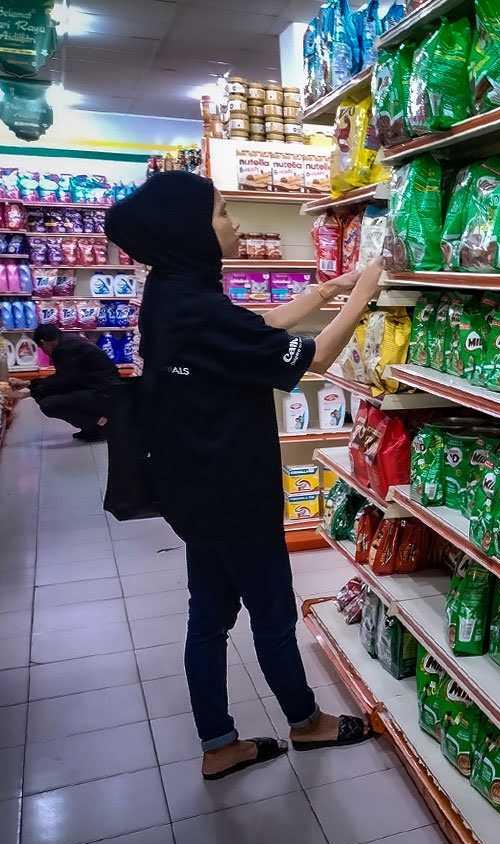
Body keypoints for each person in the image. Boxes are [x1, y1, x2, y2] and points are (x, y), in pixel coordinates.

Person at [105, 170, 384, 780]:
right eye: (222, 213)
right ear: (189, 231)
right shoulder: (195, 309)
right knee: (273, 611)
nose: (233, 224)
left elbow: (255, 332)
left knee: (207, 615)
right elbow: (312, 357)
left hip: (193, 489)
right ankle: (308, 723)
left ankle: (219, 743)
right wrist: (366, 291)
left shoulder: (174, 294)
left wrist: (327, 290)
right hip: (232, 490)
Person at [6, 323, 119, 441]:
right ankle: (92, 428)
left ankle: (101, 424)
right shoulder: (67, 342)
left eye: (42, 348)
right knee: (47, 395)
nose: (44, 352)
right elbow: (64, 378)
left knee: (48, 405)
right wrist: (28, 384)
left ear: (44, 342)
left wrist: (27, 393)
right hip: (100, 388)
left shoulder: (64, 350)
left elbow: (65, 381)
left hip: (104, 393)